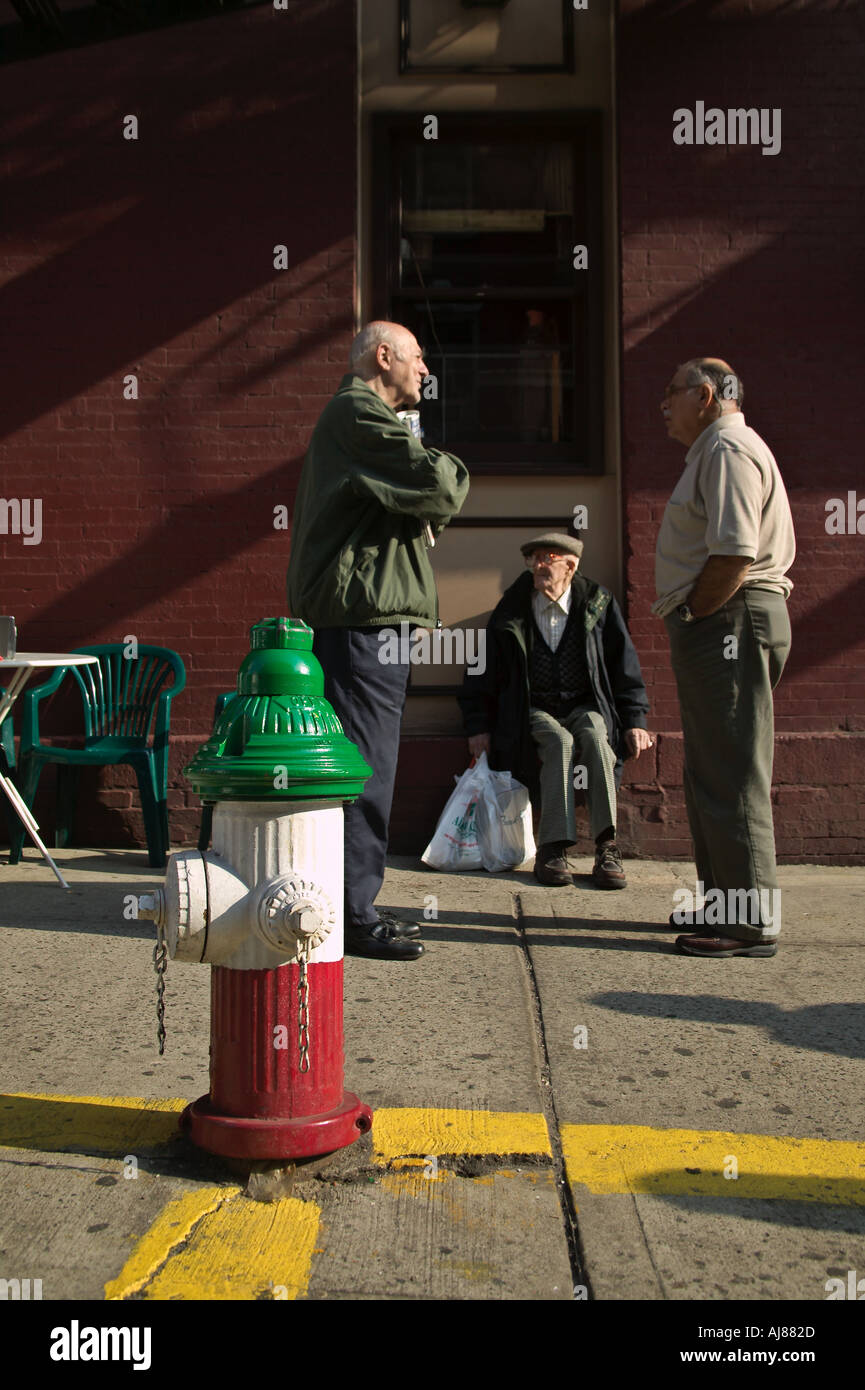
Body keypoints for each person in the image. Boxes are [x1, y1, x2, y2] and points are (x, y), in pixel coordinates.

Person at [287, 321, 469, 960]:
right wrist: (432, 484)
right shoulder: (358, 413)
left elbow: (421, 500)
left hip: (367, 621)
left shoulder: (363, 420)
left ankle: (348, 903)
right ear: (383, 356)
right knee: (365, 768)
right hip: (364, 624)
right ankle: (350, 914)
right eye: (419, 358)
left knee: (363, 763)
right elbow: (442, 486)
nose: (425, 371)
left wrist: (421, 501)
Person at [655, 357, 795, 959]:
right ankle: (724, 905)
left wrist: (693, 614)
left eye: (672, 393)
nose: (664, 405)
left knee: (732, 772)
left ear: (706, 395)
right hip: (726, 621)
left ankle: (747, 922)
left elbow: (735, 554)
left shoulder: (728, 449)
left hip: (728, 619)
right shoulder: (715, 450)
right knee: (713, 769)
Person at [458, 533, 651, 888]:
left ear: (570, 565)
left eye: (547, 557)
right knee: (558, 741)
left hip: (585, 704)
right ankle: (552, 848)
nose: (538, 565)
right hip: (534, 708)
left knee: (595, 737)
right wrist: (478, 725)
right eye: (533, 559)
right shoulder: (513, 607)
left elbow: (625, 665)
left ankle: (606, 846)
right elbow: (481, 669)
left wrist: (635, 721)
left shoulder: (597, 603)